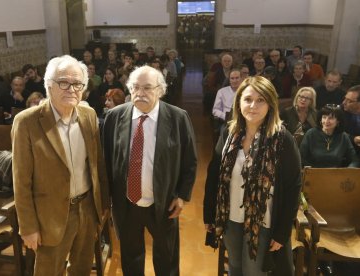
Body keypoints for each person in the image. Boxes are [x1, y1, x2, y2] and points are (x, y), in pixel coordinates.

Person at [12, 55, 109, 275]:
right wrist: (28, 227)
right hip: (49, 215)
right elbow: (21, 180)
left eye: (78, 84)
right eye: (63, 82)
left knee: (82, 268)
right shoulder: (27, 122)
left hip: (87, 209)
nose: (71, 89)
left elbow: (97, 164)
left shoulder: (88, 115)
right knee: (49, 271)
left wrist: (102, 205)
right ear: (48, 85)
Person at [103, 65, 197, 275]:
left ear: (160, 90)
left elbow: (190, 161)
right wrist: (108, 199)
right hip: (127, 203)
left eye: (147, 88)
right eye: (135, 87)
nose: (140, 93)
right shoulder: (114, 117)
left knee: (166, 258)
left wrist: (182, 196)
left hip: (164, 203)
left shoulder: (178, 117)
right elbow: (107, 160)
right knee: (131, 257)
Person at [204, 76, 301, 276]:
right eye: (247, 99)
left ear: (270, 104)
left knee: (253, 271)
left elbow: (293, 187)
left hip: (262, 221)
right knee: (235, 267)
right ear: (239, 102)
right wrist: (209, 214)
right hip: (231, 217)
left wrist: (282, 232)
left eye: (260, 100)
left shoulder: (282, 139)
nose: (253, 106)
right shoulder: (229, 133)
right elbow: (214, 175)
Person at [342, 85, 360, 153]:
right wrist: (353, 139)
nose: (344, 102)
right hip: (347, 151)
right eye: (345, 98)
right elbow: (335, 131)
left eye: (350, 101)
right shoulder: (341, 110)